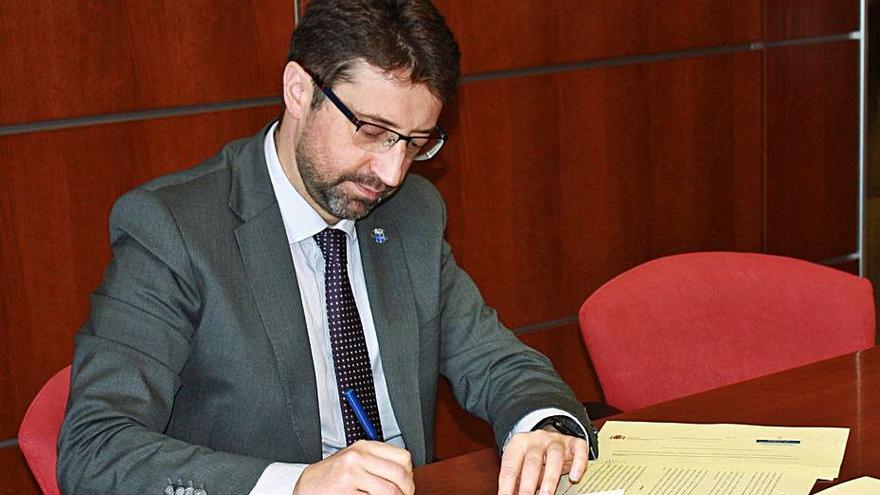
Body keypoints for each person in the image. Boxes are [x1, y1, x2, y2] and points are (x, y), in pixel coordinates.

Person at [57, 1, 598, 494]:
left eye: (414, 143)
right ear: (299, 90)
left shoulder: (412, 213)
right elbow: (95, 447)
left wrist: (543, 425)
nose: (391, 172)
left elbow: (496, 362)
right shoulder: (173, 229)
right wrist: (295, 486)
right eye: (370, 130)